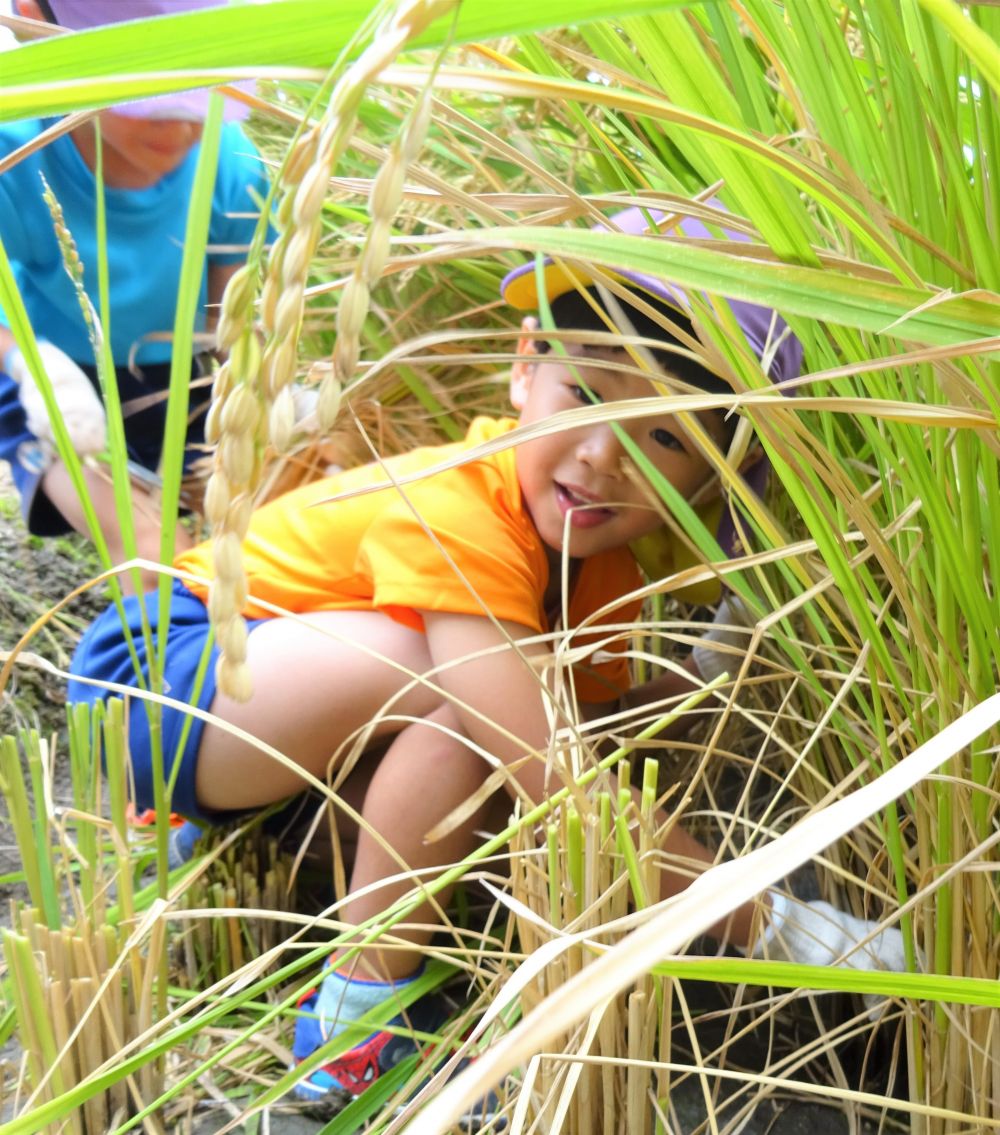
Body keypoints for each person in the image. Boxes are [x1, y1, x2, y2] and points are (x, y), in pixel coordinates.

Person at [67, 207, 910, 1118]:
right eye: (587, 396)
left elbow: (584, 728)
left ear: (712, 474)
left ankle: (273, 834)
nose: (603, 456)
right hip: (161, 674)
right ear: (524, 366)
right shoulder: (460, 512)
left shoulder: (603, 577)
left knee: (503, 707)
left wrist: (720, 664)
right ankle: (354, 1022)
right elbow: (553, 773)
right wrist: (775, 921)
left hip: (267, 713)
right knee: (476, 701)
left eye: (665, 437)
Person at [0, 0, 271, 592]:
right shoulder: (14, 154)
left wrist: (258, 382)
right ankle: (158, 669)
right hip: (49, 378)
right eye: (147, 102)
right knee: (157, 552)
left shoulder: (233, 165)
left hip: (179, 377)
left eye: (200, 100)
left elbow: (232, 308)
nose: (178, 128)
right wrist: (32, 367)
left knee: (275, 521)